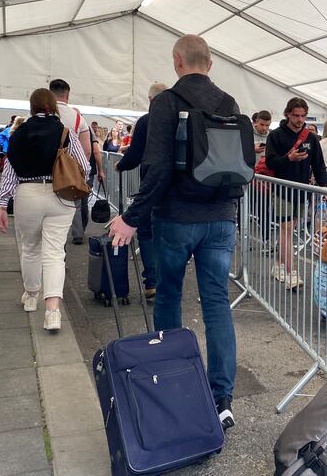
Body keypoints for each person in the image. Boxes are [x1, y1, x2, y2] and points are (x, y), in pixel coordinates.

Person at [108, 35, 240, 431]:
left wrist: (132, 217)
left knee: (168, 294)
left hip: (176, 219)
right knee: (216, 303)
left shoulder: (165, 103)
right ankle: (222, 399)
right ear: (211, 63)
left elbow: (158, 168)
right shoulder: (228, 103)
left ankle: (171, 383)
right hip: (220, 218)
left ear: (177, 61)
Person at [0, 88, 90, 331]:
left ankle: (30, 296)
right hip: (60, 196)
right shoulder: (64, 132)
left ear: (32, 107)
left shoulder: (18, 134)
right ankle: (53, 312)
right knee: (55, 253)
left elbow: (9, 173)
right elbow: (85, 167)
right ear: (52, 107)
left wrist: (1, 205)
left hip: (27, 194)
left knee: (31, 249)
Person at [265, 97, 327, 287]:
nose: (299, 120)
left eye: (303, 116)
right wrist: (288, 159)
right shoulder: (275, 136)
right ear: (287, 114)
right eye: (295, 116)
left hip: (302, 191)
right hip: (282, 189)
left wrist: (324, 187)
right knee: (286, 229)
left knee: (289, 229)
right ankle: (292, 273)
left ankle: (278, 265)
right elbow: (270, 162)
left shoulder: (311, 138)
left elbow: (319, 164)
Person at [115, 82, 167, 300]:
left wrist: (121, 165)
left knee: (146, 233)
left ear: (150, 99)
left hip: (150, 184)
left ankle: (152, 282)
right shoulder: (180, 119)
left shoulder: (146, 121)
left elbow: (135, 154)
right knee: (168, 235)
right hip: (175, 189)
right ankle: (168, 283)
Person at [50, 79, 93, 245]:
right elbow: (87, 150)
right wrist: (80, 172)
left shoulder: (37, 113)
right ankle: (76, 234)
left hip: (41, 174)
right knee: (71, 206)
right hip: (68, 172)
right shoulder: (77, 117)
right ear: (67, 95)